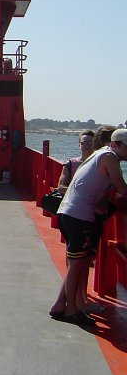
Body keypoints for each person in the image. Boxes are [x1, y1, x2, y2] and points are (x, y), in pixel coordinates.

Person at [49, 128, 127, 326]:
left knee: (78, 264)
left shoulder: (99, 155)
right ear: (116, 144)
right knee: (78, 265)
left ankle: (60, 304)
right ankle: (71, 310)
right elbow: (122, 188)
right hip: (78, 216)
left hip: (69, 213)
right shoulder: (109, 157)